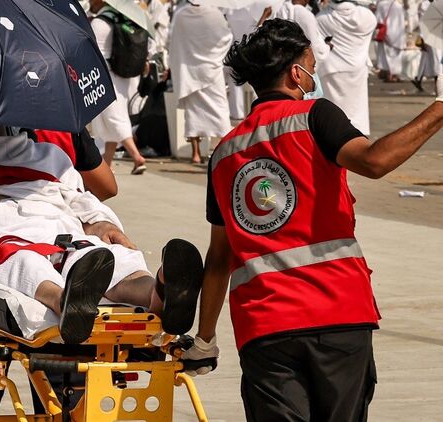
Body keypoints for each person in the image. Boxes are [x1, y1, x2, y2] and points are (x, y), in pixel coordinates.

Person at [183, 18, 443, 420]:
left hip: (265, 325)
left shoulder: (223, 153)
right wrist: (439, 110)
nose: (314, 74)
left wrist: (205, 339)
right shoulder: (315, 116)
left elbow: (219, 258)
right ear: (295, 73)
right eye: (311, 65)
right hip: (338, 312)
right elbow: (374, 162)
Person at [0, 106, 202, 344]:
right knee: (22, 262)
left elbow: (78, 198)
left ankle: (158, 292)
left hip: (58, 227)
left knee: (103, 254)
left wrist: (101, 223)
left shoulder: (46, 153)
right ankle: (64, 302)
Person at [168, 1, 233, 164]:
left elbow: (173, 40)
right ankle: (224, 150)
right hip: (211, 69)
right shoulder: (215, 14)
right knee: (219, 109)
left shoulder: (181, 15)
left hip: (189, 69)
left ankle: (196, 154)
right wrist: (214, 57)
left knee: (193, 112)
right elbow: (226, 38)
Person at [88, 0, 147, 173]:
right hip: (122, 75)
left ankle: (137, 157)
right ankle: (107, 163)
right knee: (111, 120)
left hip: (106, 75)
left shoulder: (100, 22)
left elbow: (93, 51)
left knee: (114, 118)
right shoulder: (122, 18)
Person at [316, 0, 376, 135]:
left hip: (331, 69)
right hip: (357, 68)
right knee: (357, 109)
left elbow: (318, 41)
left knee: (333, 110)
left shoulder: (322, 18)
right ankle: (358, 137)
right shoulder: (367, 16)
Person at [374, 0, 405, 82]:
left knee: (385, 55)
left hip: (385, 33)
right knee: (396, 56)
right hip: (398, 34)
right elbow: (402, 22)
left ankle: (388, 74)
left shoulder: (381, 5)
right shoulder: (398, 5)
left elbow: (378, 20)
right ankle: (394, 74)